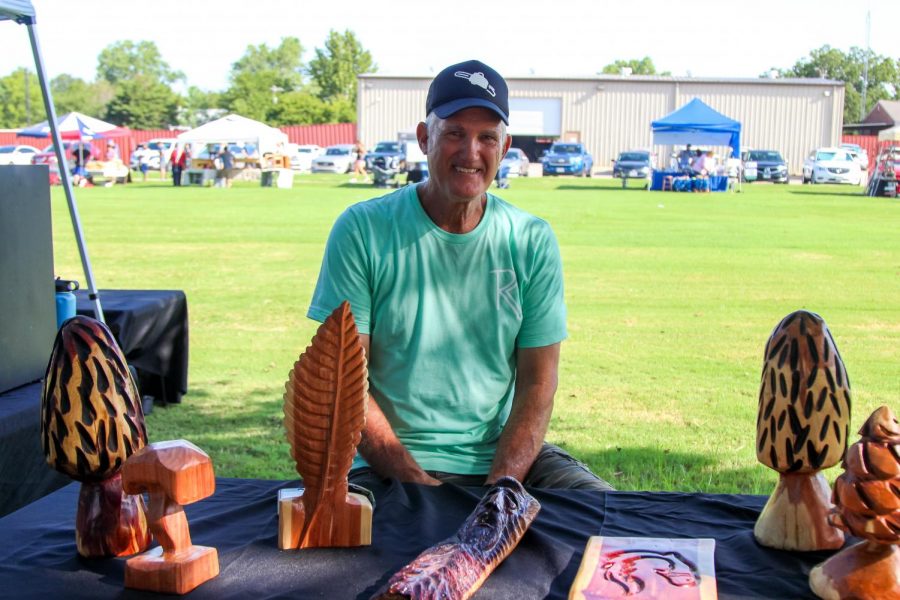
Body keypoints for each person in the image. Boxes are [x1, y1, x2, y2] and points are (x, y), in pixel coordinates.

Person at [308, 59, 613, 492]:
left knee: (612, 519)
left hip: (501, 453)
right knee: (387, 548)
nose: (471, 153)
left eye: (487, 137)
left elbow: (538, 382)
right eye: (454, 133)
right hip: (382, 460)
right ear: (423, 138)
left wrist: (501, 488)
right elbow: (343, 381)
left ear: (504, 148)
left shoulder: (530, 239)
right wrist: (417, 481)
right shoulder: (363, 230)